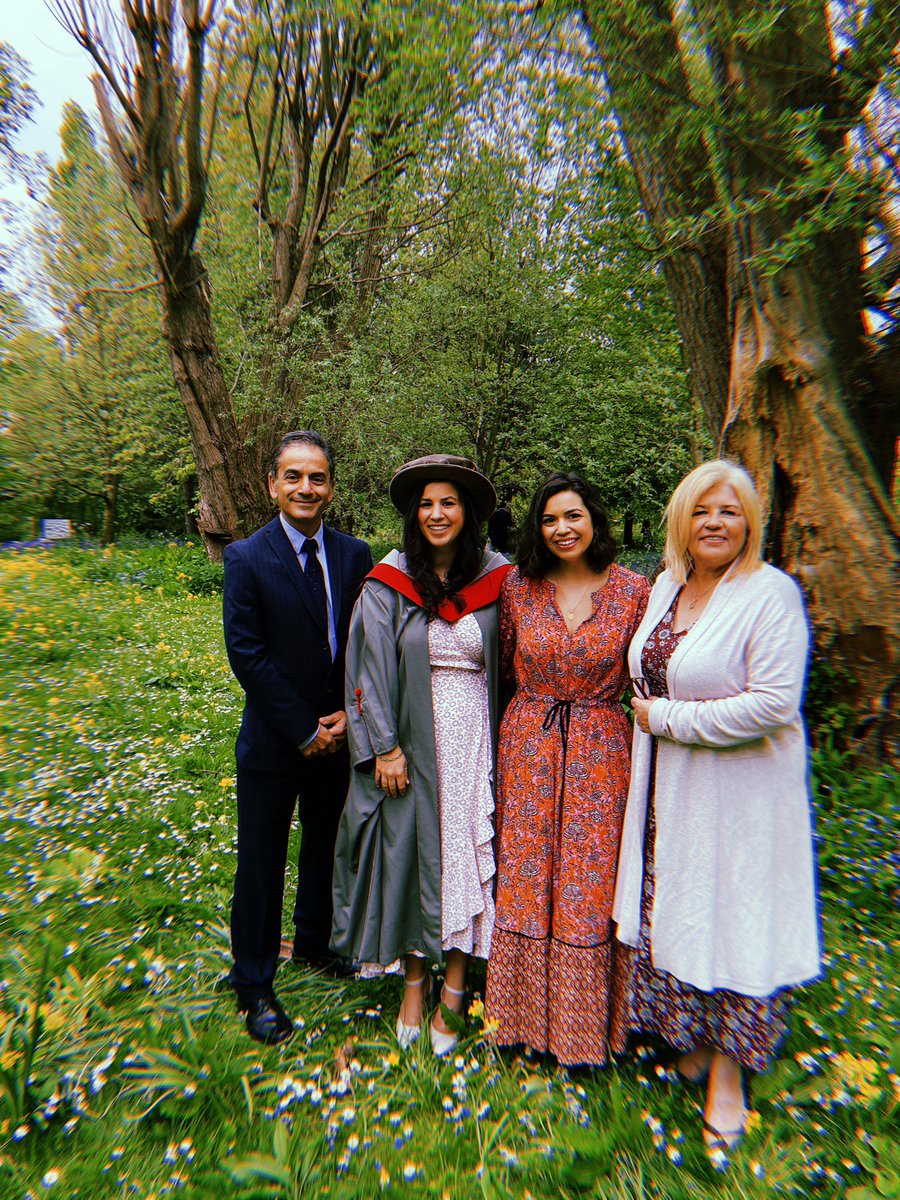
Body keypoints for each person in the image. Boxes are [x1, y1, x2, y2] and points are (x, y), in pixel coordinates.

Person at [612, 459, 822, 1153]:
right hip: (672, 790)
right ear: (681, 518)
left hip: (744, 798)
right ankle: (695, 1041)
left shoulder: (770, 594)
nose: (714, 522)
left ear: (751, 524)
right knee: (684, 907)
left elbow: (772, 705)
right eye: (702, 510)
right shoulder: (667, 589)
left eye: (730, 511)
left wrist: (667, 719)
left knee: (736, 918)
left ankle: (729, 1076)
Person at [331, 454, 511, 1055]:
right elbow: (367, 666)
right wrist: (384, 747)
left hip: (476, 745)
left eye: (449, 502)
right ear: (414, 514)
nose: (437, 513)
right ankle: (414, 985)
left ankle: (455, 991)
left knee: (464, 861)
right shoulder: (390, 580)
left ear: (467, 513)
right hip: (410, 745)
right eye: (427, 504)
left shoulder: (498, 576)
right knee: (412, 859)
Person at [484, 472, 650, 1066]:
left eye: (573, 516)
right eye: (550, 519)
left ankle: (582, 1034)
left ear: (594, 520)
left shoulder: (636, 591)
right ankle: (519, 1024)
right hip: (529, 746)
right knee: (526, 879)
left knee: (587, 885)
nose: (562, 529)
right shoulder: (519, 589)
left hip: (601, 754)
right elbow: (501, 666)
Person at [222, 430, 373, 1044]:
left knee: (322, 851)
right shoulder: (247, 558)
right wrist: (303, 727)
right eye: (293, 476)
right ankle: (254, 982)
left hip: (336, 737)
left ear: (330, 486)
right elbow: (247, 655)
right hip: (274, 741)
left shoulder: (354, 555)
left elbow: (360, 643)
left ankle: (313, 946)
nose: (305, 488)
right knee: (261, 863)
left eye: (316, 478)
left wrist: (342, 714)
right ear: (273, 484)